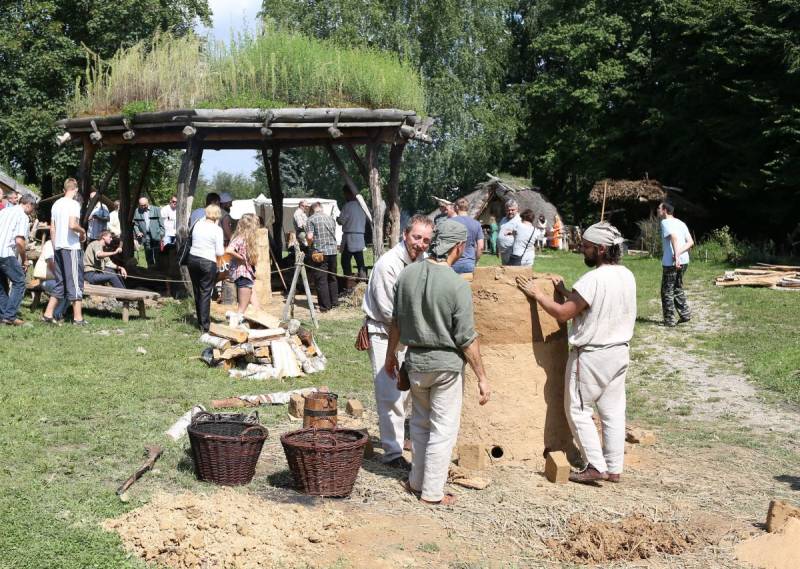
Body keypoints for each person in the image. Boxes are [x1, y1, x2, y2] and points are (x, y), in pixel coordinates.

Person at [516, 221, 636, 483]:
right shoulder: (626, 274)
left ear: (602, 249)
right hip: (618, 352)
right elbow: (588, 305)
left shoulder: (593, 279)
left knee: (578, 409)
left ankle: (595, 465)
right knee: (613, 411)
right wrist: (563, 291)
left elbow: (564, 313)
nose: (583, 250)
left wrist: (538, 294)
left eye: (587, 247)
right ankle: (614, 468)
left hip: (592, 355)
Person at [385, 219, 492, 505]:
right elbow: (467, 338)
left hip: (415, 364)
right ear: (458, 246)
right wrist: (482, 376)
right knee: (443, 429)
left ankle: (416, 480)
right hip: (445, 368)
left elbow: (395, 322)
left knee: (419, 424)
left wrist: (390, 358)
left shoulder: (406, 275)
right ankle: (432, 492)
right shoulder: (457, 286)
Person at [362, 214, 434, 469]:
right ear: (405, 234)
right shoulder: (388, 265)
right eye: (417, 237)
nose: (421, 244)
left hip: (410, 333)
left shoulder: (422, 260)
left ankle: (399, 439)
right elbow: (388, 313)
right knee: (389, 392)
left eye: (426, 240)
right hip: (384, 333)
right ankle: (392, 454)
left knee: (407, 393)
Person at [43, 178, 88, 325]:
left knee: (60, 283)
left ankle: (48, 314)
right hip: (71, 248)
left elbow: (52, 229)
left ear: (64, 190)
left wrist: (56, 247)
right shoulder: (74, 204)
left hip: (59, 247)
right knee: (75, 282)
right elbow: (73, 225)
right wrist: (82, 232)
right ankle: (78, 318)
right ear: (75, 190)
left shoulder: (56, 204)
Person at [0, 194, 37, 325]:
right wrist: (25, 259)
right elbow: (20, 242)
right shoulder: (22, 216)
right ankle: (10, 316)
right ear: (29, 204)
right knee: (20, 281)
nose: (33, 211)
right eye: (33, 207)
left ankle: (3, 314)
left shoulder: (4, 211)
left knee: (2, 285)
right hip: (6, 253)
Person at [187, 205, 224, 333]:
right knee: (205, 292)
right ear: (217, 215)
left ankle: (200, 321)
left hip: (193, 259)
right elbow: (220, 251)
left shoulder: (197, 224)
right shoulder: (217, 229)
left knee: (197, 290)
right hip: (207, 261)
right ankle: (205, 324)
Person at [658, 202, 693, 327]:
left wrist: (676, 256)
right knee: (677, 287)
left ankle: (669, 320)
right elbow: (690, 242)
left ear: (665, 210)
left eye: (659, 208)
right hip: (685, 261)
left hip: (672, 262)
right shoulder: (681, 223)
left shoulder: (665, 223)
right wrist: (680, 254)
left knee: (667, 291)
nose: (658, 210)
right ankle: (685, 314)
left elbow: (673, 237)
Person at [306, 202, 339, 312]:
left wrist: (309, 245)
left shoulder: (311, 219)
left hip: (320, 253)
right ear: (321, 208)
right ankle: (334, 302)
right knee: (332, 278)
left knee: (321, 280)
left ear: (312, 209)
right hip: (333, 251)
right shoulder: (330, 218)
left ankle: (325, 306)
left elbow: (310, 237)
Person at [225, 213, 260, 316]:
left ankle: (258, 325)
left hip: (247, 276)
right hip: (243, 275)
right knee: (242, 310)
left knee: (256, 307)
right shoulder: (241, 238)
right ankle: (235, 325)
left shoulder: (246, 239)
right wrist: (242, 258)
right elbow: (229, 250)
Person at [33, 239, 68, 322]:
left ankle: (59, 313)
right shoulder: (50, 244)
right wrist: (60, 277)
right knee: (63, 288)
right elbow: (50, 263)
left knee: (70, 288)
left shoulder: (62, 244)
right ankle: (56, 314)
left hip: (55, 279)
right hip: (46, 279)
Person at [338, 188, 368, 280]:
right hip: (360, 236)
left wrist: (337, 219)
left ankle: (348, 281)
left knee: (345, 261)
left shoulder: (348, 206)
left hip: (350, 237)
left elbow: (342, 221)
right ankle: (363, 281)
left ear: (348, 194)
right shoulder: (362, 206)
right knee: (360, 261)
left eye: (345, 194)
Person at [450, 198, 484, 275]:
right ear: (468, 208)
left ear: (457, 207)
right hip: (469, 263)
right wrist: (476, 260)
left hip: (453, 263)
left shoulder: (450, 222)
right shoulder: (477, 224)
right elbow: (481, 247)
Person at [132, 197, 163, 268]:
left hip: (156, 235)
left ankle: (159, 268)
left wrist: (162, 233)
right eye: (141, 205)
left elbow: (161, 223)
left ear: (148, 202)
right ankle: (150, 269)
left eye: (144, 205)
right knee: (148, 253)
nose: (143, 207)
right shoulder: (137, 211)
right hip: (146, 236)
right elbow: (135, 224)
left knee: (157, 253)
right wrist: (138, 232)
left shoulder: (156, 209)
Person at [497, 200, 521, 264]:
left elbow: (522, 235)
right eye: (508, 210)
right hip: (503, 252)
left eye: (512, 210)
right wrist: (498, 248)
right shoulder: (503, 219)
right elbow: (499, 233)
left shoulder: (520, 220)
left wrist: (513, 232)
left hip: (513, 252)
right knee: (505, 270)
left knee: (512, 271)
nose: (510, 212)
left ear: (517, 209)